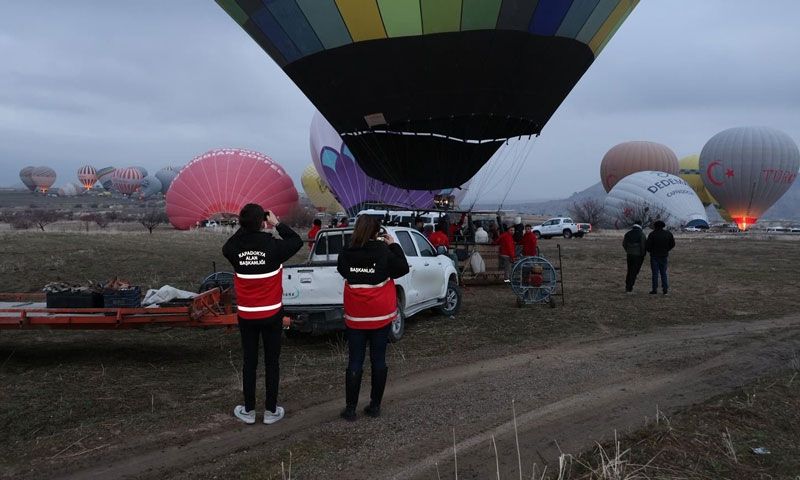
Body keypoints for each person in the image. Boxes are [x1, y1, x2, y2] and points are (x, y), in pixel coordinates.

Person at [222, 204, 303, 425]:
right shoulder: (273, 246)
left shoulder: (235, 248)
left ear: (241, 223)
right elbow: (297, 241)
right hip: (272, 315)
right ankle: (270, 410)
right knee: (272, 362)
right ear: (263, 222)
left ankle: (248, 410)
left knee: (250, 362)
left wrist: (246, 227)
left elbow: (226, 247)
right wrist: (277, 224)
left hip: (247, 316)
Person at [337, 216, 409, 420]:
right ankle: (375, 406)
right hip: (380, 315)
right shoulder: (383, 251)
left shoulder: (347, 251)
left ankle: (350, 409)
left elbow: (342, 270)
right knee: (378, 359)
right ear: (377, 232)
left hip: (356, 316)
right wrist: (393, 245)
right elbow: (402, 268)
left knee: (355, 361)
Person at [646, 220, 675, 295]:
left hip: (654, 256)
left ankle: (654, 289)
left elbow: (648, 246)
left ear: (655, 226)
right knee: (663, 273)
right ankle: (665, 289)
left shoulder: (652, 234)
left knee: (655, 274)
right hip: (664, 255)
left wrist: (650, 251)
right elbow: (672, 244)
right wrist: (667, 249)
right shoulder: (668, 234)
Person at [622, 220, 647, 293]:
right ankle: (630, 287)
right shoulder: (641, 234)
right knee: (634, 271)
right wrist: (643, 254)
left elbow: (624, 244)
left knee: (629, 270)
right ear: (640, 225)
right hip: (638, 255)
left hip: (629, 254)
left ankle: (627, 286)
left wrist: (628, 250)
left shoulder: (628, 233)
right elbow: (643, 245)